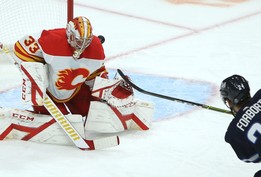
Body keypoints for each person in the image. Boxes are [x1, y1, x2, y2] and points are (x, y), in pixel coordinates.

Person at [0, 16, 154, 146]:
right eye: (78, 40)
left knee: (88, 113)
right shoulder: (50, 39)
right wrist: (35, 75)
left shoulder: (96, 49)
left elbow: (96, 75)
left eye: (85, 41)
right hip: (49, 91)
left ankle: (130, 111)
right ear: (69, 34)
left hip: (77, 89)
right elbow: (21, 48)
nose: (81, 46)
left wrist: (110, 89)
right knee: (53, 120)